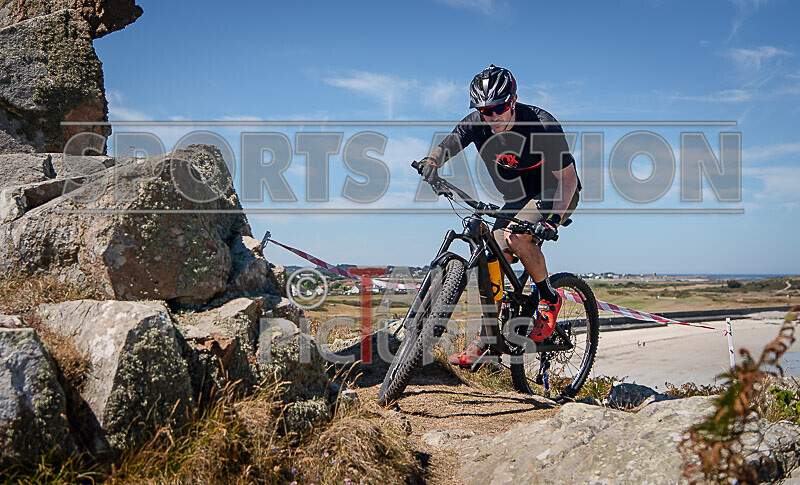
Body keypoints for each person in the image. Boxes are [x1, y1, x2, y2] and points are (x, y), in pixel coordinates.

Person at [418, 64, 581, 367]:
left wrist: (552, 221)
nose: (491, 117)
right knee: (491, 254)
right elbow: (448, 145)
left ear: (513, 101)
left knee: (517, 237)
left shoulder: (541, 125)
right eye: (483, 110)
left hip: (556, 191)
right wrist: (431, 162)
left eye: (498, 109)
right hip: (516, 198)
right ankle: (489, 340)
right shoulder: (478, 122)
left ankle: (548, 297)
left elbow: (568, 180)